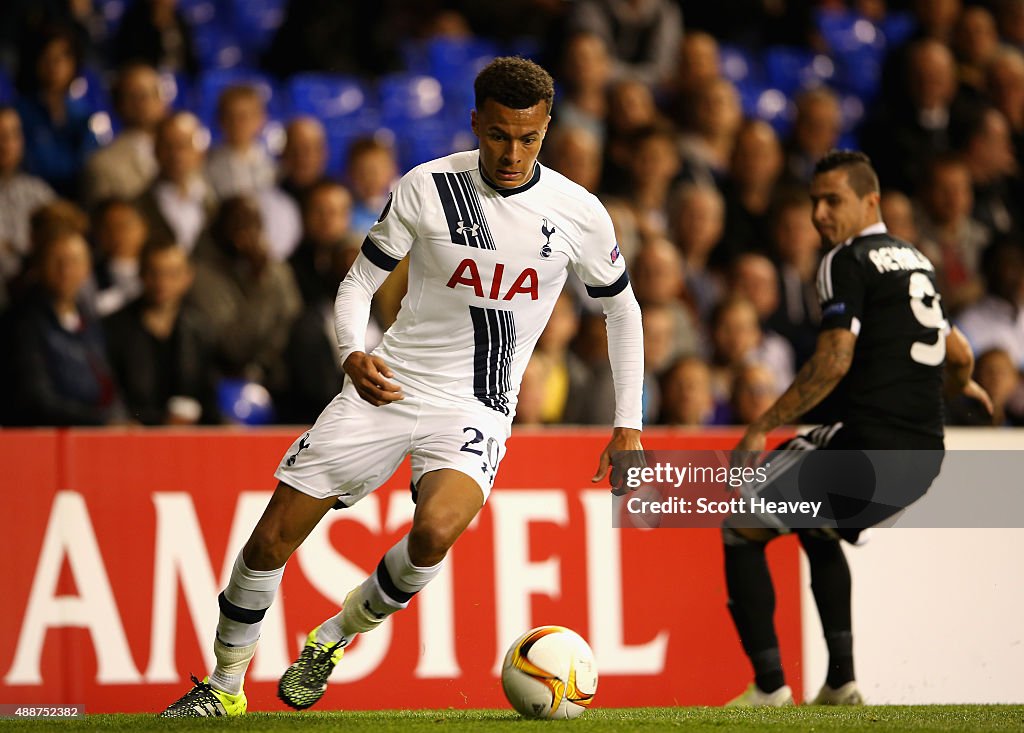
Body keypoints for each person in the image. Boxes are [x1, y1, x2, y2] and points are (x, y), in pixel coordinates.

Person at [158, 56, 644, 717]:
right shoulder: (426, 188)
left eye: (528, 137)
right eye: (499, 134)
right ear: (476, 122)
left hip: (478, 404)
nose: (512, 151)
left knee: (435, 532)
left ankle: (333, 637)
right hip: (389, 383)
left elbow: (622, 307)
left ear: (547, 129)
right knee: (270, 540)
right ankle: (224, 685)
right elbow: (358, 283)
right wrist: (352, 352)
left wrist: (628, 424)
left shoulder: (578, 212)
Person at [719, 150, 991, 707]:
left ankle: (770, 690)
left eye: (832, 201)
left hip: (866, 449)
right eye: (815, 201)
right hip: (923, 462)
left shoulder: (845, 259)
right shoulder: (916, 259)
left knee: (738, 517)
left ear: (871, 202)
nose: (820, 213)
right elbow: (957, 350)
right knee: (814, 525)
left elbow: (835, 358)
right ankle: (841, 682)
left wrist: (761, 426)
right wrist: (961, 384)